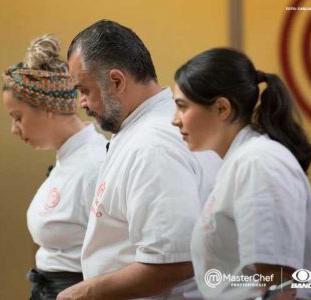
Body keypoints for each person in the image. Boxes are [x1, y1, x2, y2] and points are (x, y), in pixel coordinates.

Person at [57, 20, 221, 300]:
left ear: (117, 81)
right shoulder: (144, 131)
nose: (81, 104)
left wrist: (84, 293)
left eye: (84, 91)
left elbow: (173, 261)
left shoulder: (152, 145)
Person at [172, 47, 311, 299]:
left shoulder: (258, 163)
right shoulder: (242, 161)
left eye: (182, 107)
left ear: (222, 109)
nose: (175, 120)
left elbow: (280, 285)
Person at [1, 34, 107, 300]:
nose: (14, 129)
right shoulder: (69, 160)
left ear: (47, 107)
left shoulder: (95, 163)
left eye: (17, 117)